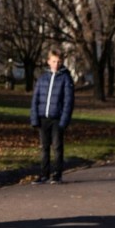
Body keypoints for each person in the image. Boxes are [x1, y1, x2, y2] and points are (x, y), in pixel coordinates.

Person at [30, 49, 74, 184]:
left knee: (57, 146)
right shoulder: (43, 78)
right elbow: (35, 99)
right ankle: (44, 174)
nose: (56, 64)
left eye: (59, 61)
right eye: (54, 61)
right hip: (43, 118)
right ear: (49, 61)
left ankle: (57, 174)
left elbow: (68, 101)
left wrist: (64, 121)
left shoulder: (66, 78)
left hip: (57, 119)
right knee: (44, 147)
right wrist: (34, 118)